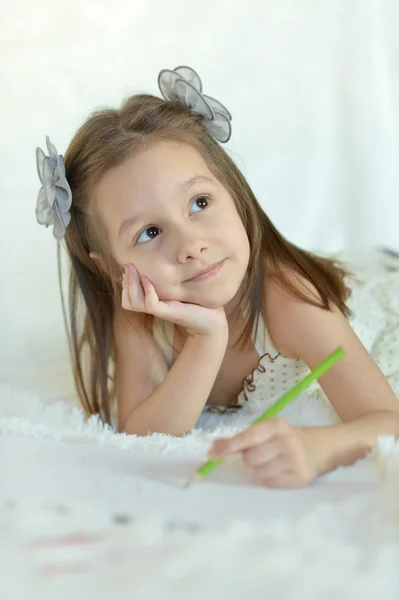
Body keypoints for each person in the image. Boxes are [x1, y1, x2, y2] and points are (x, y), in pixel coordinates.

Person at [35, 66, 399, 488]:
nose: (190, 244)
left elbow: (387, 420)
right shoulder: (140, 305)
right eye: (150, 233)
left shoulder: (292, 300)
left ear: (234, 192)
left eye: (200, 202)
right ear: (111, 267)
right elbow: (143, 435)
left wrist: (322, 449)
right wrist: (206, 341)